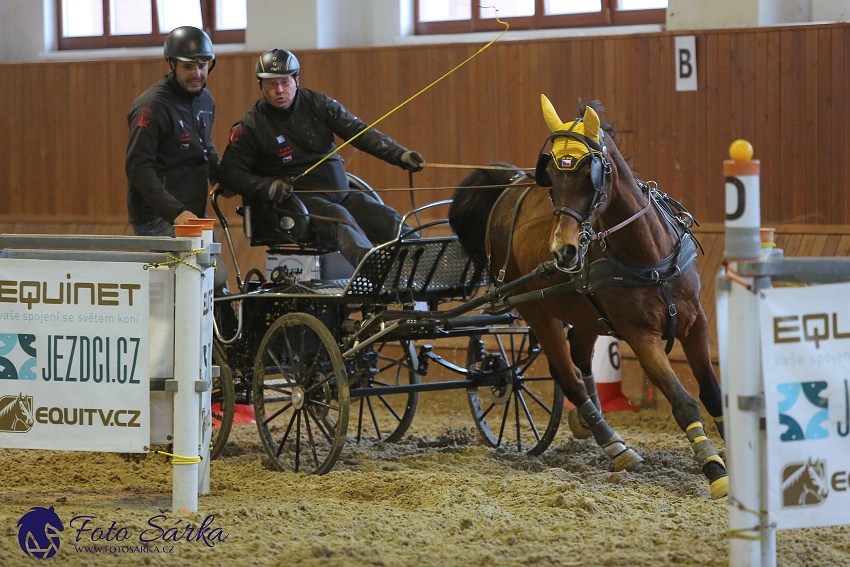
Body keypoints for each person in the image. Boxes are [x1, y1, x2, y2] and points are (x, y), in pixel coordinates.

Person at [218, 48, 425, 269]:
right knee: (341, 221)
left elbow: (359, 132)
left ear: (297, 80)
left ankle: (427, 268)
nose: (279, 90)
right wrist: (267, 186)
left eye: (285, 83)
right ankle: (376, 276)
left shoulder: (318, 103)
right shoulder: (250, 126)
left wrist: (399, 154)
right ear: (261, 85)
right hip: (298, 204)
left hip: (341, 194)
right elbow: (229, 173)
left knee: (389, 219)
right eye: (271, 84)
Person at [125, 25, 227, 289]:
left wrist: (221, 176)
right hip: (160, 216)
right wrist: (175, 212)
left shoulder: (206, 100)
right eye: (188, 67)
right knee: (204, 281)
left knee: (217, 282)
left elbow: (206, 146)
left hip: (192, 213)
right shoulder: (152, 106)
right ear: (171, 64)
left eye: (203, 65)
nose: (197, 73)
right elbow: (138, 167)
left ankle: (219, 330)